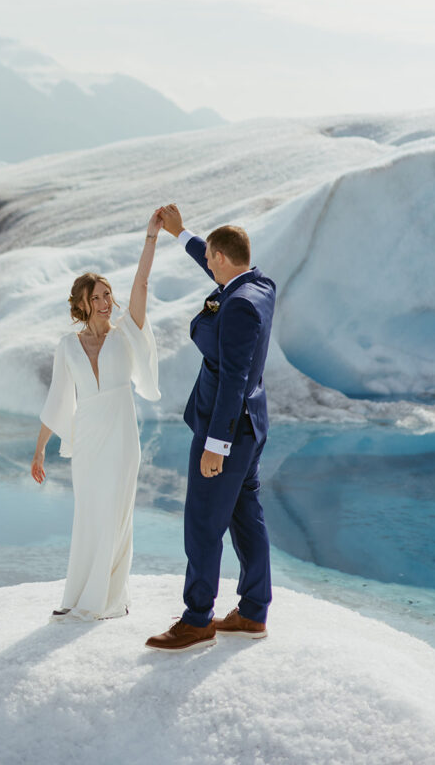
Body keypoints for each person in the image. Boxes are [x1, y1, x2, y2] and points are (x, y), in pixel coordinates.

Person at [146, 204, 276, 652]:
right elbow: (216, 262)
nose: (208, 264)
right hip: (252, 426)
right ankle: (254, 609)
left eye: (210, 259)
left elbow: (233, 380)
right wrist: (182, 235)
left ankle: (197, 619)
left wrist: (215, 445)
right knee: (246, 517)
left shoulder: (237, 306)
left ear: (221, 259)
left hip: (227, 430)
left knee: (203, 522)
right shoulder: (258, 285)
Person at [31, 211, 162, 621]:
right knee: (89, 515)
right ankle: (79, 596)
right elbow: (57, 399)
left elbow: (141, 282)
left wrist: (150, 237)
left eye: (109, 295)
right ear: (83, 304)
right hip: (87, 441)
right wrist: (38, 452)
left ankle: (109, 598)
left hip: (123, 439)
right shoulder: (67, 346)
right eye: (98, 297)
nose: (107, 302)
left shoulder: (127, 334)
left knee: (117, 515)